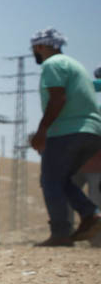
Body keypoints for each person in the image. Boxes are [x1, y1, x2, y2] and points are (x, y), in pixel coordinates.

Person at [28, 28, 101, 246]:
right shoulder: (74, 64)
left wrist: (41, 131)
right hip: (92, 131)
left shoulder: (52, 64)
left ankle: (60, 233)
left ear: (40, 46)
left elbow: (58, 98)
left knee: (50, 180)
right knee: (61, 179)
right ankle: (90, 215)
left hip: (68, 131)